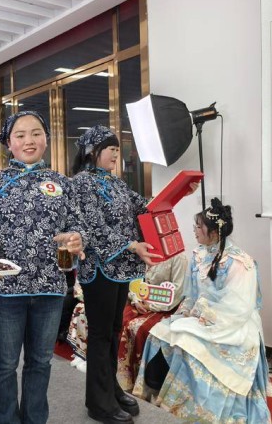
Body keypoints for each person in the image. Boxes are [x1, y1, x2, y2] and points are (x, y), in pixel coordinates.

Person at [0, 110, 83, 424]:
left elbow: (77, 226)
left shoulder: (63, 184)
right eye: (20, 135)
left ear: (46, 139)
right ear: (9, 142)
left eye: (36, 133)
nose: (28, 140)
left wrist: (77, 239)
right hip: (6, 288)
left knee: (40, 362)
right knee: (5, 364)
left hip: (50, 287)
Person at [69, 125, 188, 424]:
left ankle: (110, 389)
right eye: (110, 149)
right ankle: (98, 403)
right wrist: (131, 244)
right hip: (99, 269)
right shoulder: (81, 183)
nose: (115, 154)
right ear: (92, 151)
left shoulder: (116, 183)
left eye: (116, 149)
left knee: (113, 331)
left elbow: (144, 208)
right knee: (100, 334)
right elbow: (92, 227)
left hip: (120, 270)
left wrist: (178, 193)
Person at [133, 199, 271, 423]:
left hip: (230, 325)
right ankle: (156, 392)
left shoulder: (240, 262)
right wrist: (186, 311)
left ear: (214, 232)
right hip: (201, 317)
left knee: (186, 344)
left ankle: (190, 408)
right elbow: (191, 294)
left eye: (199, 227)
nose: (194, 231)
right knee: (159, 333)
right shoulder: (199, 254)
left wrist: (201, 313)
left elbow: (240, 308)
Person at [116, 253, 187, 392]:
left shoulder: (178, 257)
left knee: (140, 328)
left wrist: (152, 306)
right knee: (119, 319)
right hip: (140, 301)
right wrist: (136, 300)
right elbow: (134, 279)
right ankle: (118, 375)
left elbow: (178, 291)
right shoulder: (143, 250)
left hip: (165, 307)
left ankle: (138, 380)